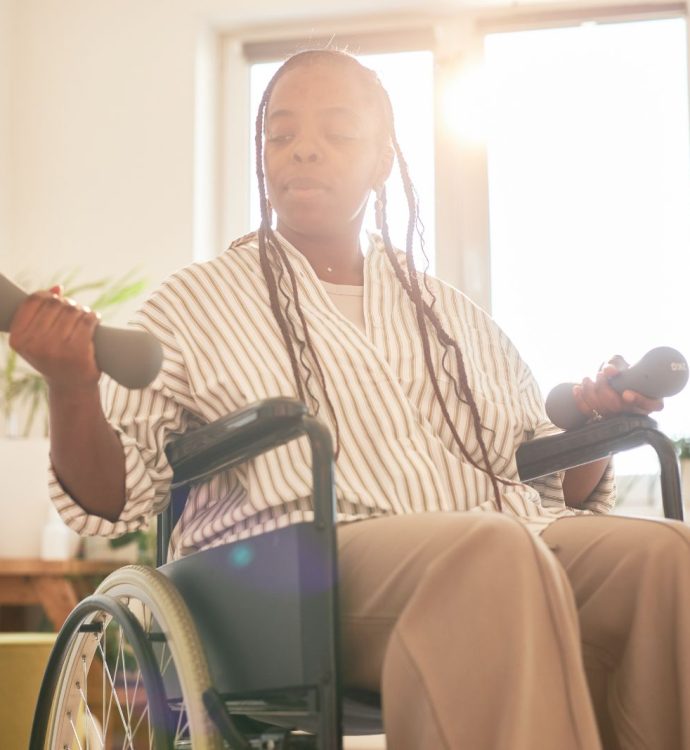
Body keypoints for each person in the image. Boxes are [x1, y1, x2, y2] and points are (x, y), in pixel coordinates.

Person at [9, 49, 690, 749]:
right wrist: (71, 384)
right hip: (287, 570)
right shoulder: (193, 302)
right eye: (281, 133)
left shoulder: (451, 316)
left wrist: (603, 425)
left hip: (498, 539)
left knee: (665, 559)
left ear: (381, 161)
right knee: (492, 553)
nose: (304, 148)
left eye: (337, 133)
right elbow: (109, 498)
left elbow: (548, 484)